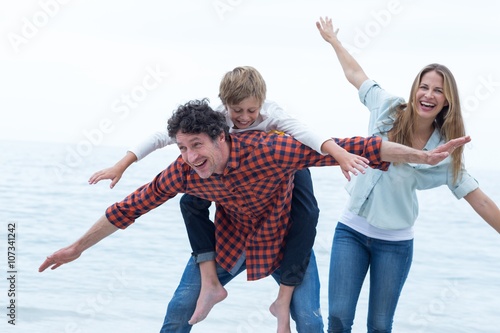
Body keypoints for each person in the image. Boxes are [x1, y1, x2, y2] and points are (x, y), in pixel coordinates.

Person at [39, 98, 468, 333]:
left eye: (197, 147)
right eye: (182, 148)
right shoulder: (183, 171)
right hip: (229, 243)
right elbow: (129, 208)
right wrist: (77, 247)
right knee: (179, 311)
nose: (189, 157)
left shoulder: (268, 150)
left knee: (311, 321)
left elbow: (360, 146)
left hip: (283, 242)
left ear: (221, 138)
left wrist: (422, 155)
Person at [88, 66, 370, 332]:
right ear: (225, 104)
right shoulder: (218, 119)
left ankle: (283, 302)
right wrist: (122, 164)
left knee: (307, 213)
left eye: (251, 110)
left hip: (280, 168)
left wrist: (340, 155)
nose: (244, 117)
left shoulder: (274, 115)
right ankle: (210, 280)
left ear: (262, 101)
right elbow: (163, 137)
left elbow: (309, 135)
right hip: (231, 180)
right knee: (190, 200)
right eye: (237, 111)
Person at [316, 16, 500, 333]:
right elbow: (356, 74)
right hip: (352, 230)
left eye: (437, 91)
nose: (428, 95)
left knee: (379, 326)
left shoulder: (445, 151)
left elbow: (479, 200)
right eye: (424, 87)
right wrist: (334, 40)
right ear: (415, 90)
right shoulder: (387, 108)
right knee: (338, 318)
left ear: (447, 101)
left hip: (395, 243)